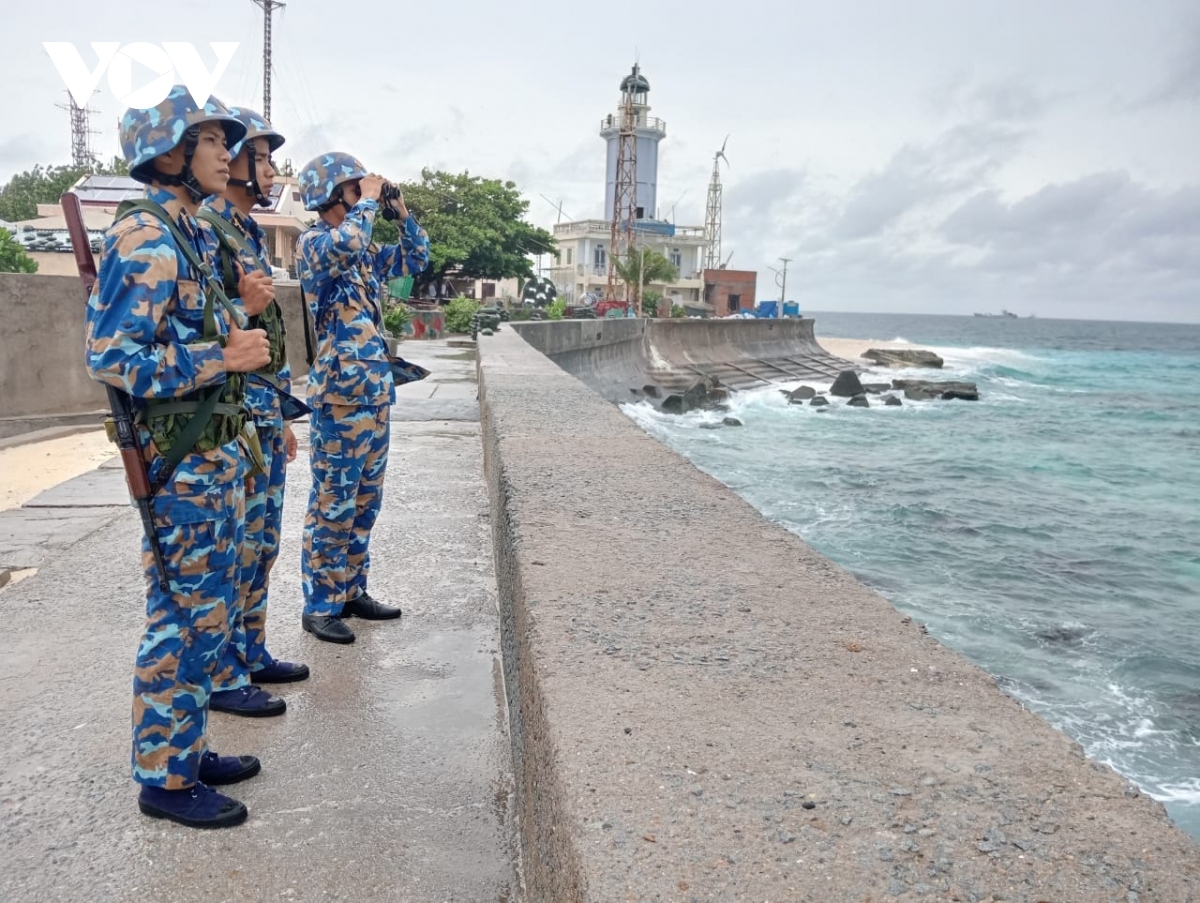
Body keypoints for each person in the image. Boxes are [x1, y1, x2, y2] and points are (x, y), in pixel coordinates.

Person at [85, 86, 271, 828]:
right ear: (169, 155)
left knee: (210, 613)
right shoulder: (146, 237)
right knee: (182, 616)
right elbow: (111, 355)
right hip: (179, 464)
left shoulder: (187, 231)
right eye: (210, 140)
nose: (227, 152)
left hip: (211, 457)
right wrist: (220, 354)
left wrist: (237, 329)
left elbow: (198, 325)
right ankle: (163, 779)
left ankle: (184, 748)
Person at [199, 107, 311, 718]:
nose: (269, 169)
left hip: (264, 412)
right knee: (237, 545)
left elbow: (267, 338)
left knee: (262, 539)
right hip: (234, 416)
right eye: (260, 156)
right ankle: (224, 670)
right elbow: (223, 330)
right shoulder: (212, 229)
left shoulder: (244, 231)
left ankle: (250, 649)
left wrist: (284, 416)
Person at [295, 153, 430, 643]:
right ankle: (320, 604)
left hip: (374, 395)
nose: (363, 193)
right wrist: (368, 203)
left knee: (364, 503)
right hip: (339, 398)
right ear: (331, 195)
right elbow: (345, 241)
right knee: (332, 504)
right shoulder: (315, 245)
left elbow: (417, 260)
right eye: (354, 188)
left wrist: (401, 214)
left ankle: (352, 590)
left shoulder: (365, 253)